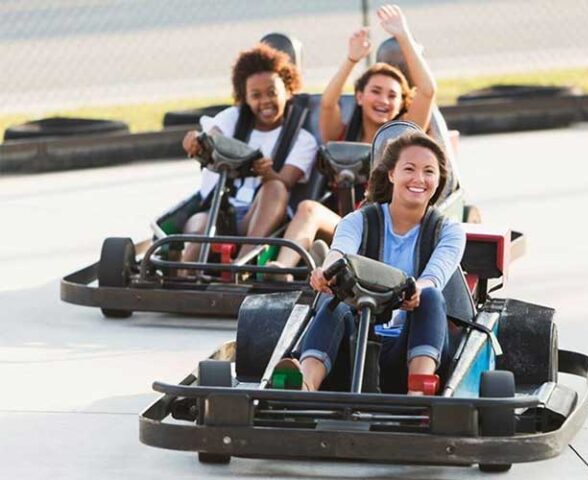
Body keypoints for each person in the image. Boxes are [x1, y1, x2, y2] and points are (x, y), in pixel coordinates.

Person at [275, 131, 466, 395]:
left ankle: (418, 394)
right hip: (354, 345)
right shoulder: (359, 221)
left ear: (438, 180)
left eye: (428, 172)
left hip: (411, 345)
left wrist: (415, 292)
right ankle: (305, 385)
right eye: (409, 169)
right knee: (335, 302)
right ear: (391, 174)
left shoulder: (449, 231)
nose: (419, 179)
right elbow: (339, 253)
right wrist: (326, 273)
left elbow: (434, 276)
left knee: (431, 296)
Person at [266, 4, 436, 278]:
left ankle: (333, 262)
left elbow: (427, 91)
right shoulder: (343, 133)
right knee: (309, 208)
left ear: (401, 103)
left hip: (385, 227)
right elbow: (328, 102)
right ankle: (284, 269)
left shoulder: (405, 137)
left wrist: (403, 36)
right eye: (375, 91)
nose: (383, 100)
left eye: (392, 95)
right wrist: (352, 59)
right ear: (359, 97)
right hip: (346, 225)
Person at [180, 43, 318, 264]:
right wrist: (196, 142)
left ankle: (243, 261)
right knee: (199, 232)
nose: (265, 101)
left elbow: (286, 181)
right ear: (245, 98)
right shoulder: (233, 118)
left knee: (276, 187)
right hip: (220, 211)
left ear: (288, 91)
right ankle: (183, 277)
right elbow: (211, 134)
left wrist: (267, 172)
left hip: (258, 217)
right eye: (256, 95)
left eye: (272, 93)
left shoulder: (302, 139)